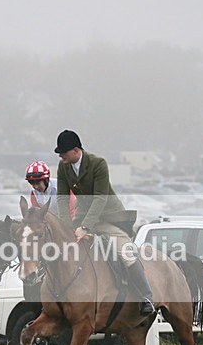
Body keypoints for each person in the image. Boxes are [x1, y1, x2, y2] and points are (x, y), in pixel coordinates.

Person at [54, 129, 155, 315]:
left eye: (64, 152)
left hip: (108, 216)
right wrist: (67, 227)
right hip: (83, 215)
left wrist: (85, 228)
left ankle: (147, 297)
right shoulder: (63, 167)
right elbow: (62, 198)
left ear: (76, 150)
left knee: (126, 253)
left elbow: (100, 198)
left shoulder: (98, 164)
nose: (61, 156)